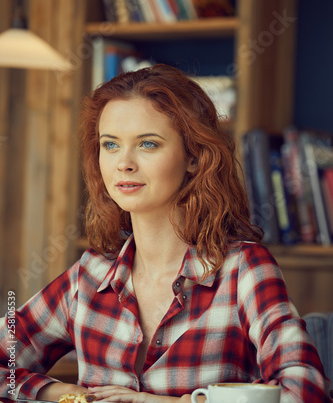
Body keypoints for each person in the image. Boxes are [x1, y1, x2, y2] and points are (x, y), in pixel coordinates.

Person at [0, 64, 331, 403]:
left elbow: (306, 393)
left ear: (193, 156)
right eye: (110, 145)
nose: (123, 163)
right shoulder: (89, 276)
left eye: (147, 144)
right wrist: (60, 393)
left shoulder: (243, 270)